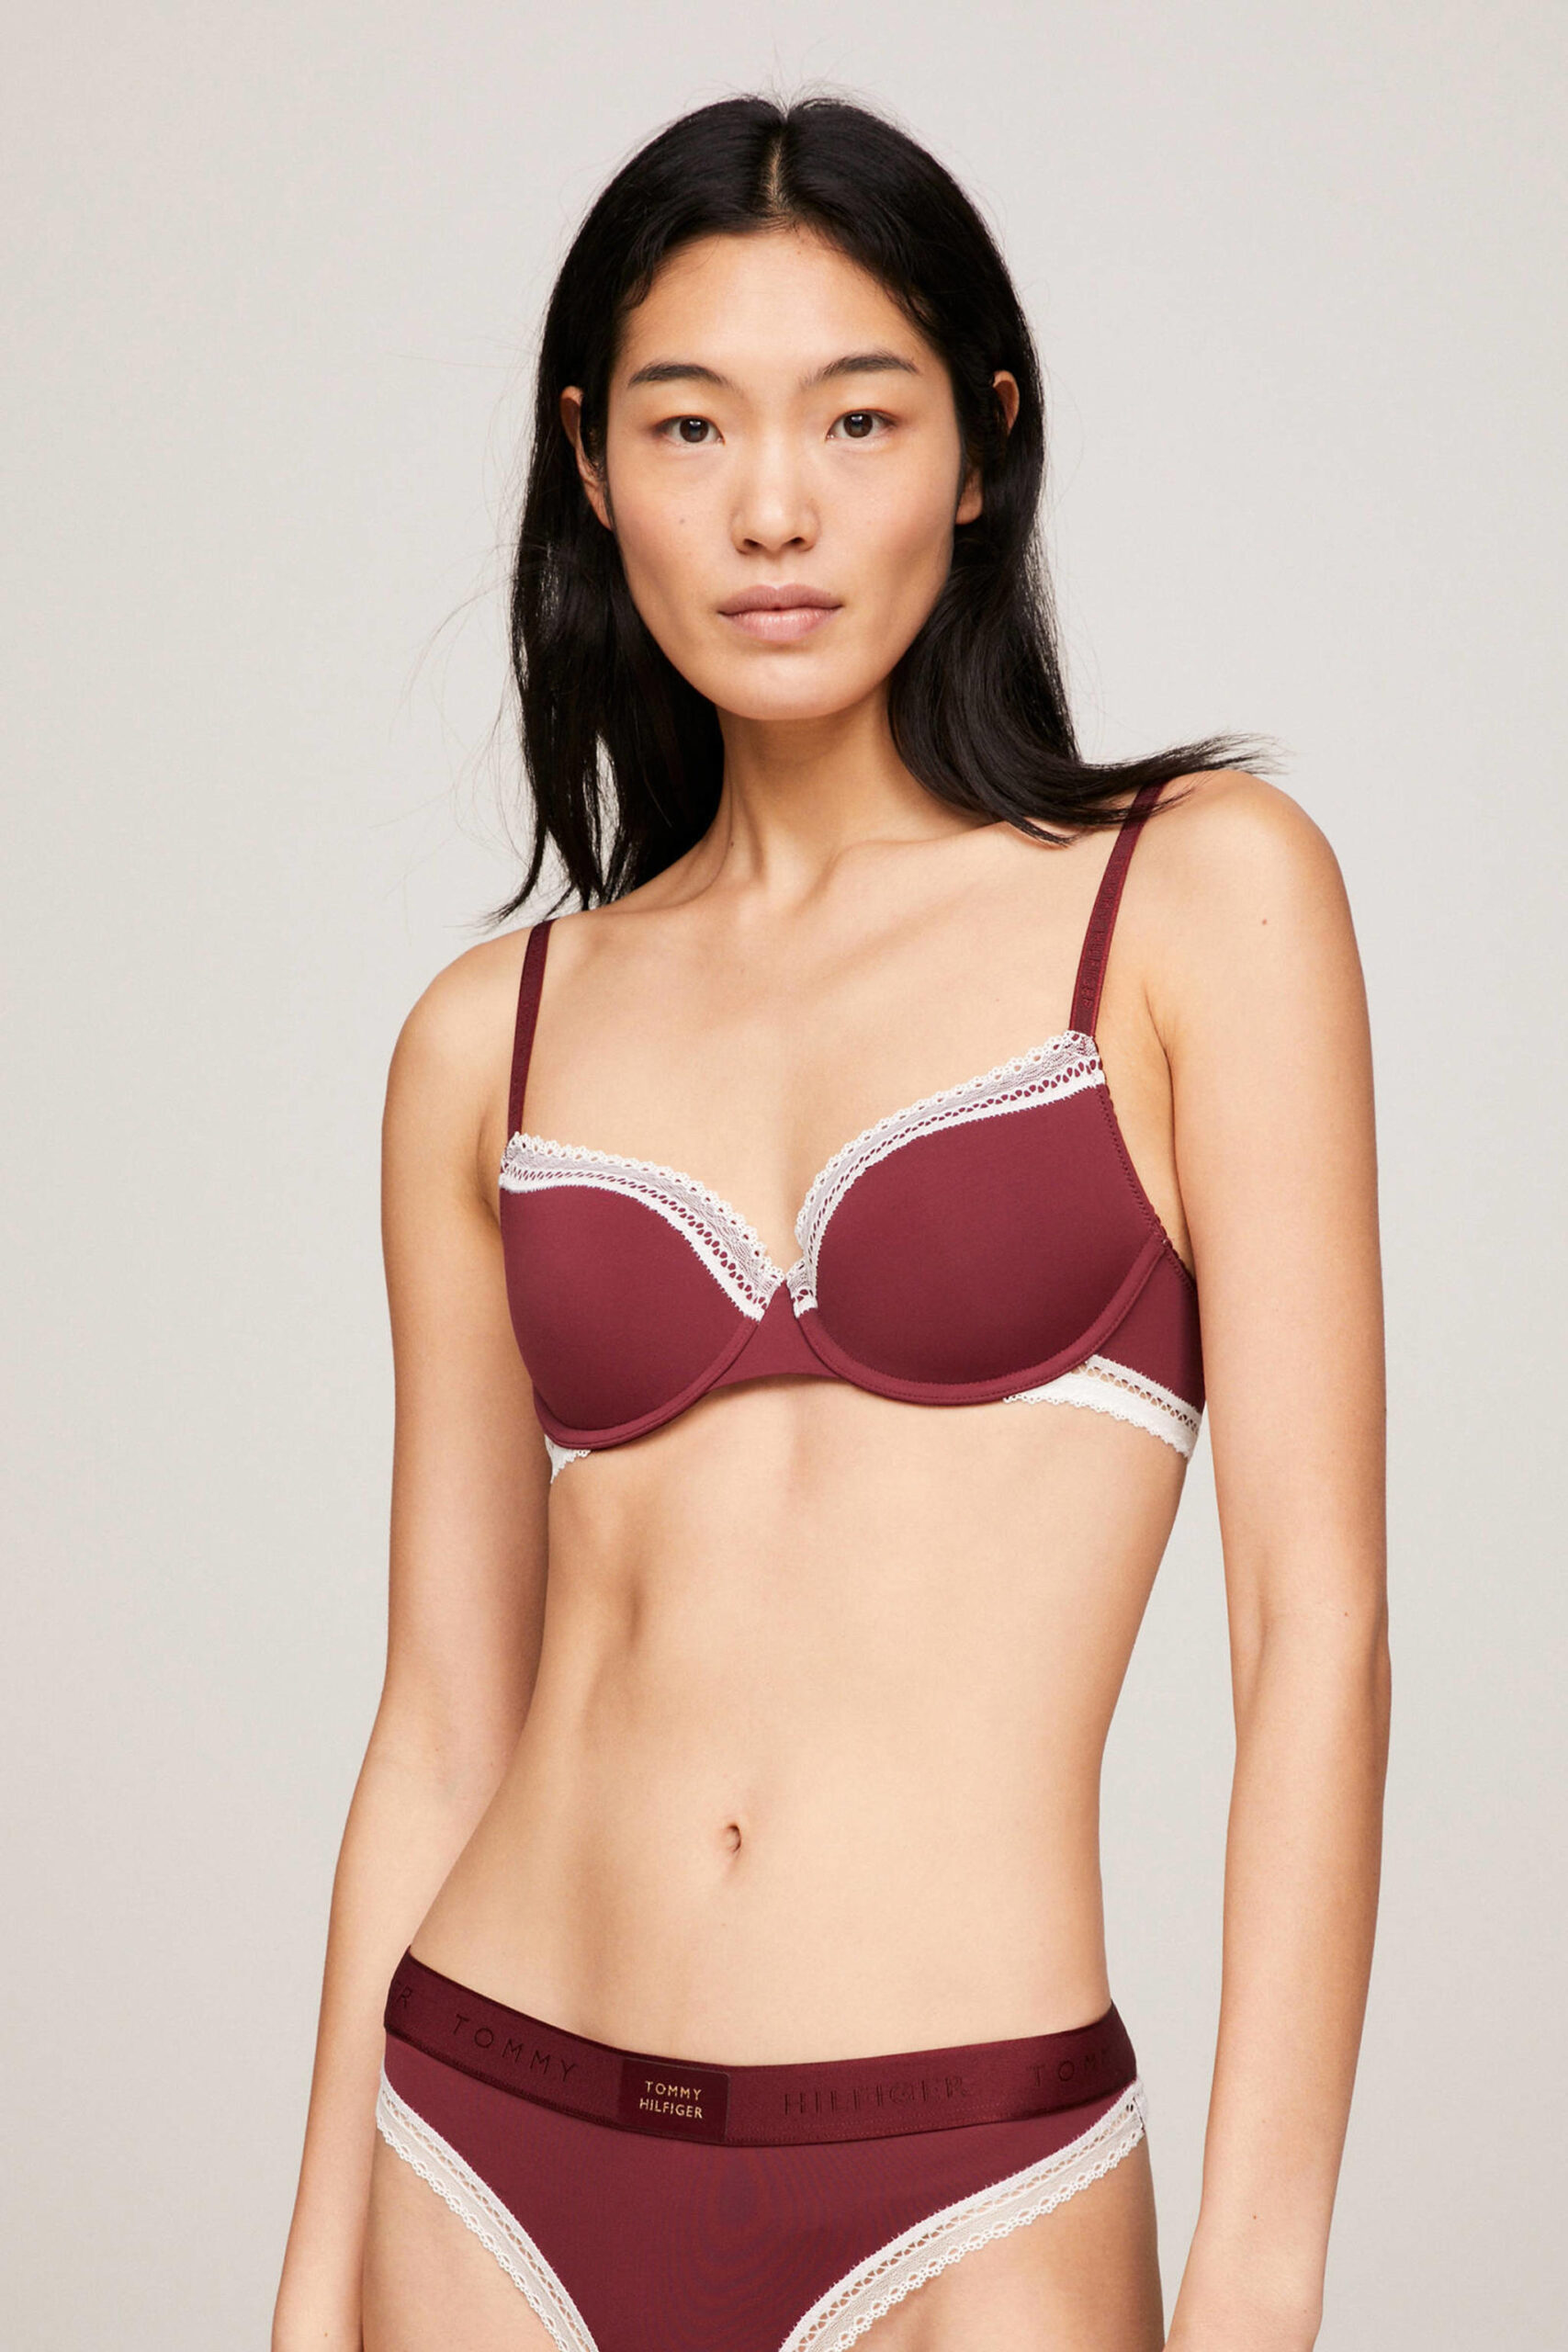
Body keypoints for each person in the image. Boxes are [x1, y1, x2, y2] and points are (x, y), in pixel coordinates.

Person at [273, 93, 1389, 2352]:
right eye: (687, 423)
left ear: (979, 449)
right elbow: (440, 1716)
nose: (769, 506)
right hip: (479, 2134)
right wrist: (309, 2289)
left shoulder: (1193, 901)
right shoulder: (486, 1037)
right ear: (591, 465)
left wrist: (1255, 2280)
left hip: (966, 2163)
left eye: (854, 417)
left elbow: (1316, 1631)